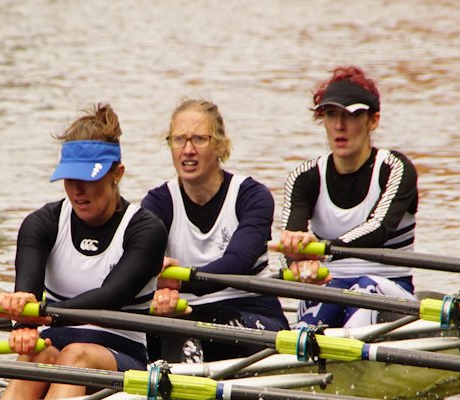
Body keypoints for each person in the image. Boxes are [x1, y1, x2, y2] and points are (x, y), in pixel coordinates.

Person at [0, 103, 168, 400]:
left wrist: (44, 317)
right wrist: (22, 319)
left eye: (88, 179)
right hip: (54, 346)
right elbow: (28, 293)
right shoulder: (40, 223)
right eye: (70, 178)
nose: (77, 190)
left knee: (76, 354)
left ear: (118, 173)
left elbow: (112, 295)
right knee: (33, 354)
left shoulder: (146, 230)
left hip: (121, 354)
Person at [142, 98, 289, 362]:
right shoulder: (158, 202)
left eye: (199, 139)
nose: (187, 150)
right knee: (152, 334)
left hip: (248, 310)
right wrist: (149, 272)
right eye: (179, 140)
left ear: (220, 144)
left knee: (198, 333)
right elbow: (137, 258)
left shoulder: (252, 197)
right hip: (182, 314)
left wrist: (172, 280)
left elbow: (238, 261)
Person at [278, 66, 418, 328]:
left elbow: (380, 228)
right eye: (331, 114)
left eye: (352, 115)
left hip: (387, 288)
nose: (340, 126)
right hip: (328, 286)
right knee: (318, 309)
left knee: (363, 290)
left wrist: (323, 252)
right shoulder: (304, 177)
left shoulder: (395, 168)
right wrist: (296, 261)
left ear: (373, 120)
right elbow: (290, 247)